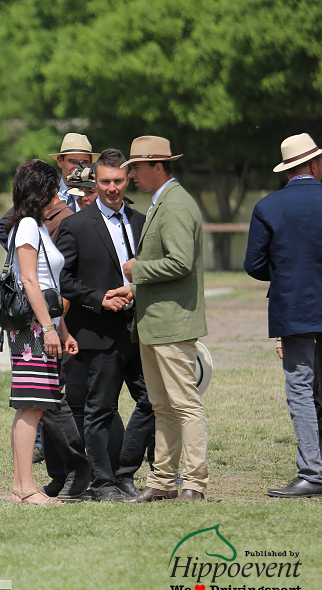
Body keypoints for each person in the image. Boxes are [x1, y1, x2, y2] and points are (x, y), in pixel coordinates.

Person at [54, 149, 154, 501]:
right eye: (105, 182)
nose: (112, 188)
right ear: (94, 183)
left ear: (128, 180)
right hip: (98, 332)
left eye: (119, 181)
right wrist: (100, 298)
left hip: (139, 330)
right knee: (100, 410)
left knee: (151, 401)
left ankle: (124, 473)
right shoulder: (76, 225)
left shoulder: (142, 221)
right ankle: (102, 484)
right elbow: (62, 280)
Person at [120, 136, 208, 503]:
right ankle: (162, 481)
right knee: (162, 407)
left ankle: (194, 483)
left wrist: (137, 271)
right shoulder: (165, 201)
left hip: (172, 324)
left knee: (185, 404)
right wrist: (135, 291)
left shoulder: (174, 204)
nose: (132, 175)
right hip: (156, 323)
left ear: (159, 166)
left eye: (136, 168)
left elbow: (181, 262)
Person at [244, 133, 322, 498]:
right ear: (314, 164)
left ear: (288, 168)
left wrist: (288, 270)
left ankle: (312, 471)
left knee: (301, 389)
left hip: (294, 308)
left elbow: (254, 264)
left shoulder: (268, 207)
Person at [5, 160, 78, 505]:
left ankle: (23, 485)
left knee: (33, 405)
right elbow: (30, 280)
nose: (58, 194)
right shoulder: (28, 228)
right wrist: (48, 328)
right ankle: (24, 486)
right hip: (33, 328)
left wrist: (61, 328)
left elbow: (49, 282)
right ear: (43, 192)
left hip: (43, 323)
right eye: (54, 188)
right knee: (31, 406)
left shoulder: (32, 226)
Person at [49, 133, 100, 213]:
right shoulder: (48, 194)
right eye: (72, 161)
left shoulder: (98, 196)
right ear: (59, 161)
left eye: (84, 162)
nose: (78, 167)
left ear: (90, 163)